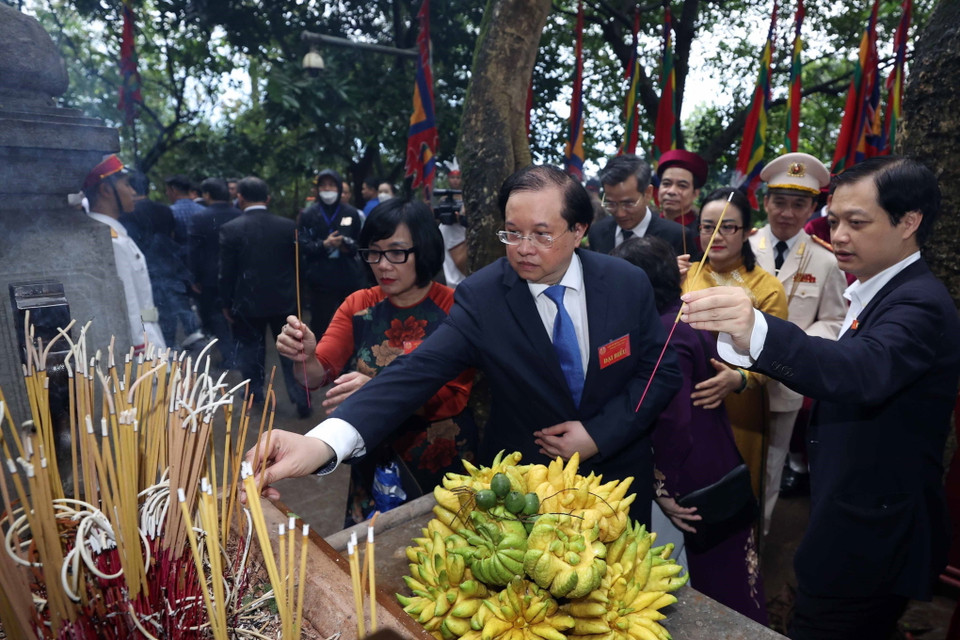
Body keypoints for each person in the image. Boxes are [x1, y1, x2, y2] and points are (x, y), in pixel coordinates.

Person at [246, 165, 681, 528]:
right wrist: (323, 443)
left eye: (541, 234)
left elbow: (659, 369)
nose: (523, 249)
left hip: (618, 479)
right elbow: (416, 371)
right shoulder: (485, 295)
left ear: (579, 229)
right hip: (523, 489)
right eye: (512, 233)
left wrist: (599, 434)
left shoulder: (625, 283)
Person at [680, 156, 960, 640]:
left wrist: (757, 329)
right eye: (835, 222)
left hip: (872, 533)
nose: (841, 235)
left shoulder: (919, 303)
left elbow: (860, 369)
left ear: (908, 222)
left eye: (857, 222)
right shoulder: (878, 290)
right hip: (848, 514)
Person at [276, 199, 477, 523]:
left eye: (396, 253)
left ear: (424, 249)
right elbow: (314, 377)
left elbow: (454, 396)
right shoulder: (360, 305)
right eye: (374, 252)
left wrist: (374, 389)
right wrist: (304, 356)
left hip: (438, 457)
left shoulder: (454, 307)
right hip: (371, 454)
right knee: (369, 546)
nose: (383, 265)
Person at [610, 236, 767, 625]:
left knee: (704, 582)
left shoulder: (662, 333)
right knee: (735, 568)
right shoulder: (681, 317)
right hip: (716, 453)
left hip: (690, 474)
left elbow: (672, 423)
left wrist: (664, 489)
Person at [751, 153, 847, 534]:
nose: (787, 213)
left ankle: (761, 534)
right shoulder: (743, 246)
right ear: (765, 203)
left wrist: (795, 346)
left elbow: (835, 320)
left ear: (812, 208)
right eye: (779, 202)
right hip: (735, 378)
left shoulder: (826, 261)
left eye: (798, 204)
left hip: (786, 380)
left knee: (772, 465)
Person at [681, 187, 788, 501]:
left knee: (736, 489)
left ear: (747, 232)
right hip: (685, 399)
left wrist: (741, 378)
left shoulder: (768, 288)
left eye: (727, 227)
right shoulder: (684, 275)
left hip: (740, 406)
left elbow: (779, 355)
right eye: (707, 226)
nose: (716, 236)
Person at [219, 177, 311, 417]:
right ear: (267, 198)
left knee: (251, 351)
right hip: (285, 300)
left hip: (247, 304)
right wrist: (299, 298)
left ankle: (255, 395)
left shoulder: (231, 228)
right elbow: (299, 266)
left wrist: (226, 303)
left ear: (240, 197)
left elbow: (226, 273)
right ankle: (302, 399)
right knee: (292, 352)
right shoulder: (287, 226)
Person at [82, 155, 165, 352]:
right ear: (106, 190)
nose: (133, 191)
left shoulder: (114, 235)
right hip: (141, 344)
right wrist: (142, 349)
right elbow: (128, 305)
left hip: (145, 334)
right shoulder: (110, 241)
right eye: (127, 184)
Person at [125, 170, 204, 350]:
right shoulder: (165, 209)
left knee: (155, 306)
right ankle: (186, 334)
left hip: (146, 267)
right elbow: (171, 235)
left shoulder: (128, 213)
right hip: (169, 263)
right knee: (173, 301)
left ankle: (166, 345)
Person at [589, 154, 698, 257]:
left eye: (628, 203)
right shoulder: (597, 232)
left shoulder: (677, 236)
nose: (620, 213)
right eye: (611, 203)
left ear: (648, 194)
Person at [298, 169, 366, 333]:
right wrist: (324, 244)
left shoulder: (351, 213)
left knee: (352, 324)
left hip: (348, 277)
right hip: (320, 280)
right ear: (317, 189)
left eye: (331, 185)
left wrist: (346, 244)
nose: (327, 189)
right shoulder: (308, 214)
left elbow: (360, 244)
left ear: (339, 188)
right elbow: (302, 245)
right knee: (320, 325)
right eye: (323, 185)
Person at [190, 177, 241, 367]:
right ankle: (241, 353)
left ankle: (229, 355)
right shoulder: (239, 214)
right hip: (238, 275)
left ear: (207, 195)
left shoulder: (199, 217)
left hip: (210, 276)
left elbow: (194, 250)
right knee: (237, 314)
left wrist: (194, 277)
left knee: (216, 315)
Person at [656, 149, 708, 228]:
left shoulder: (703, 230)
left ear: (695, 194)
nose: (672, 191)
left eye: (682, 186)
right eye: (666, 184)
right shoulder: (645, 225)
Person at [439, 158, 468, 287]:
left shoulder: (467, 198)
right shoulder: (444, 199)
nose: (455, 180)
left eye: (458, 177)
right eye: (452, 177)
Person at [165, 174, 204, 262]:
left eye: (167, 190)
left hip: (179, 259)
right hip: (200, 258)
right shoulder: (203, 210)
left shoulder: (170, 211)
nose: (167, 193)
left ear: (174, 190)